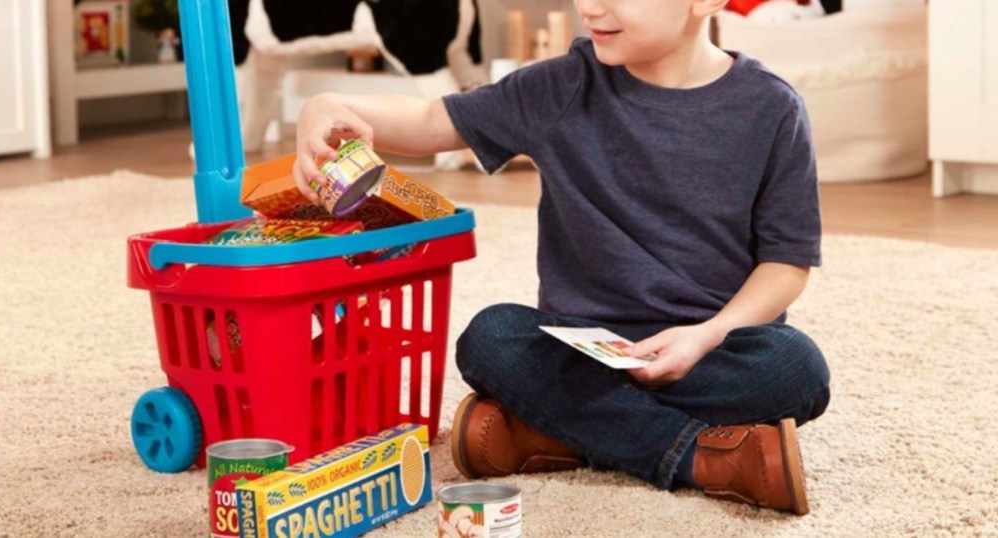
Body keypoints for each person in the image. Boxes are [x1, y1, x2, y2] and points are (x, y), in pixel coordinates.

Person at [293, 0, 830, 515]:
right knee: (490, 337)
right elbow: (433, 120)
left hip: (710, 348)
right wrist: (328, 107)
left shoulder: (772, 108)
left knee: (798, 370)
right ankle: (702, 458)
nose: (590, 8)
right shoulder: (562, 86)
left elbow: (787, 263)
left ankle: (555, 433)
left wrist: (707, 334)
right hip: (581, 348)